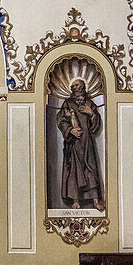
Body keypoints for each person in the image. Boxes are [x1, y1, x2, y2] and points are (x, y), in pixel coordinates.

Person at [57, 79, 105, 211]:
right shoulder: (68, 104)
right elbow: (60, 120)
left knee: (91, 170)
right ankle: (76, 200)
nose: (75, 88)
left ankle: (95, 200)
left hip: (87, 143)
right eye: (73, 86)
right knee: (74, 171)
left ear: (83, 87)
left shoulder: (90, 104)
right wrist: (70, 130)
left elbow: (96, 123)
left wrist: (91, 113)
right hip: (73, 144)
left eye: (77, 85)